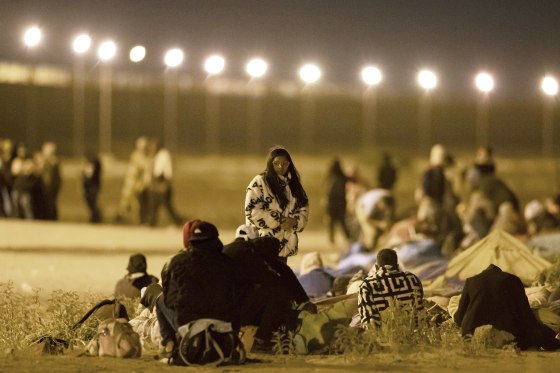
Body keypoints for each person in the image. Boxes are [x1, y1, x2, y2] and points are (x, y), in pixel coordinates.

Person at [223, 231, 311, 352]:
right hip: (230, 312)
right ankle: (262, 340)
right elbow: (274, 280)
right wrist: (301, 303)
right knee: (278, 294)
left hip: (219, 309)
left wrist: (304, 300)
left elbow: (282, 270)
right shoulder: (249, 255)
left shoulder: (236, 248)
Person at [158, 220, 237, 353]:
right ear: (216, 240)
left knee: (159, 299)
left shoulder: (178, 262)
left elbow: (170, 300)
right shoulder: (229, 264)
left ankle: (170, 342)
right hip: (223, 326)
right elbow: (236, 297)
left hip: (190, 327)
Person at [454, 264, 560, 350]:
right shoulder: (513, 280)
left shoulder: (470, 281)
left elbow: (459, 319)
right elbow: (526, 316)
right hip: (510, 337)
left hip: (471, 337)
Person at [245, 146, 309, 260]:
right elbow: (251, 211)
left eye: (285, 164)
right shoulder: (259, 182)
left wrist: (294, 221)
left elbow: (303, 208)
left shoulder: (293, 185)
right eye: (276, 163)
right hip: (262, 245)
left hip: (285, 246)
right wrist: (279, 220)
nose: (281, 167)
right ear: (270, 164)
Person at [357, 248, 424, 328]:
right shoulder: (412, 279)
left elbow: (368, 323)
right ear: (397, 266)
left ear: (376, 267)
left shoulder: (366, 286)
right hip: (416, 333)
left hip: (385, 338)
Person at [148, 140, 183, 227]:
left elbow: (158, 171)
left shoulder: (163, 155)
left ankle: (177, 222)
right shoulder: (160, 155)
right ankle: (152, 222)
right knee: (162, 204)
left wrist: (155, 181)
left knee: (160, 204)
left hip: (163, 182)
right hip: (163, 182)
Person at [324, 158, 351, 244]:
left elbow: (327, 191)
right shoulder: (342, 177)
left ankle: (332, 238)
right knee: (342, 220)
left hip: (332, 202)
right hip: (341, 202)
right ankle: (348, 237)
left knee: (331, 221)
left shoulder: (330, 177)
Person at [37, 142, 62, 220]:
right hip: (42, 187)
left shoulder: (55, 162)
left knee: (51, 205)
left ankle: (51, 219)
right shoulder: (40, 160)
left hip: (51, 188)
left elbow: (57, 179)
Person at [82, 153, 102, 223]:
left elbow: (88, 176)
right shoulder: (95, 165)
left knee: (92, 202)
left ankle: (95, 217)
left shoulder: (92, 165)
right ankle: (95, 217)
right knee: (91, 203)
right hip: (92, 186)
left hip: (92, 186)